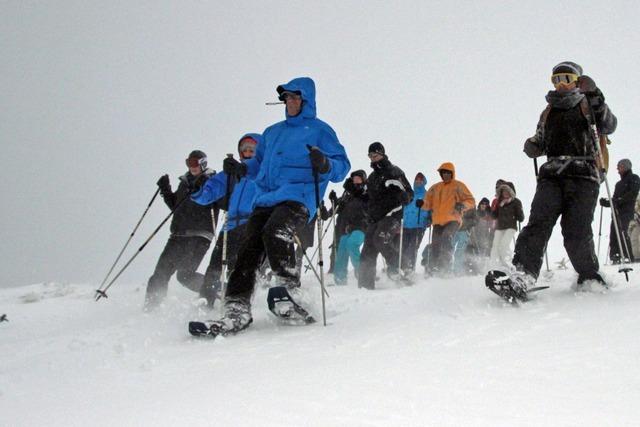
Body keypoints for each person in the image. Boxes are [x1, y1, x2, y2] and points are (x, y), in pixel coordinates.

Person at [204, 77, 350, 334]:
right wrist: (241, 168)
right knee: (249, 248)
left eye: (295, 97)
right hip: (266, 197)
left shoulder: (320, 130)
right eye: (286, 98)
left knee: (276, 231)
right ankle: (236, 306)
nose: (290, 102)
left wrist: (325, 162)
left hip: (299, 196)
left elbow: (341, 167)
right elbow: (258, 165)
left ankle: (288, 288)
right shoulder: (272, 133)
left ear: (305, 100)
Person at [509, 61, 617, 297]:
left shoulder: (588, 103)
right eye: (555, 80)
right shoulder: (548, 111)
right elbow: (541, 139)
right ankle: (522, 275)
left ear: (577, 81)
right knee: (538, 223)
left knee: (576, 229)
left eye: (566, 79)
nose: (560, 85)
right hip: (552, 175)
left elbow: (609, 124)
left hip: (584, 173)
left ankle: (589, 276)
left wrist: (595, 94)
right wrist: (534, 146)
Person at [191, 134, 261, 308]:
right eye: (244, 149)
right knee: (215, 265)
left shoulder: (263, 170)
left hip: (251, 223)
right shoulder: (230, 173)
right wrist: (199, 187)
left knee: (240, 266)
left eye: (252, 149)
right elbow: (209, 193)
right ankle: (206, 299)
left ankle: (237, 302)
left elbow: (267, 183)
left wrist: (246, 171)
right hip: (230, 225)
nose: (247, 152)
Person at [144, 150, 217, 310]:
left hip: (199, 235)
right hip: (178, 234)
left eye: (195, 163)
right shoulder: (184, 182)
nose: (192, 167)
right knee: (161, 272)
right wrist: (166, 190)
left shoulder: (212, 180)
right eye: (189, 163)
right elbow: (177, 207)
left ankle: (219, 291)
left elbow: (211, 202)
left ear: (203, 163)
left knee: (184, 275)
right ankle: (151, 307)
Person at [358, 142, 413, 289]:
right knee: (367, 250)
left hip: (392, 215)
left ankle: (402, 267)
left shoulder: (393, 171)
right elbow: (368, 198)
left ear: (382, 154)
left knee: (380, 239)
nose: (372, 159)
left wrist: (404, 195)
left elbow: (409, 192)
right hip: (376, 217)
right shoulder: (372, 177)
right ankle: (365, 287)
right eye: (370, 156)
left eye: (375, 155)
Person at [421, 162, 475, 276]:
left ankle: (445, 267)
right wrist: (421, 203)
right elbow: (427, 203)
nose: (445, 175)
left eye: (448, 173)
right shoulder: (435, 187)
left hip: (453, 219)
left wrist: (462, 205)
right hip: (437, 221)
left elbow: (471, 200)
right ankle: (434, 269)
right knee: (435, 244)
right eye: (443, 172)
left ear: (452, 173)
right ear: (440, 174)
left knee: (446, 237)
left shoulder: (458, 186)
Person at [331, 170, 369, 286]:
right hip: (349, 227)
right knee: (342, 246)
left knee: (352, 244)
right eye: (354, 178)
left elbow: (368, 204)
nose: (356, 180)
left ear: (363, 180)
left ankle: (364, 274)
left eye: (358, 178)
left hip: (362, 226)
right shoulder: (348, 196)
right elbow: (338, 209)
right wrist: (334, 201)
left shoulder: (366, 192)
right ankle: (340, 278)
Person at [599, 159, 640, 263]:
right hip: (617, 213)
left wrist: (618, 200)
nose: (617, 169)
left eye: (619, 166)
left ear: (625, 167)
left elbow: (633, 193)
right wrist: (607, 202)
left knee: (624, 232)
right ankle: (615, 256)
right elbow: (615, 199)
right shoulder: (618, 184)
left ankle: (629, 256)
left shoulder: (634, 178)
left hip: (628, 212)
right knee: (614, 233)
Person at [489, 182, 524, 269]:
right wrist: (494, 209)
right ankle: (494, 265)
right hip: (500, 227)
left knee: (504, 245)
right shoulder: (499, 202)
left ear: (511, 192)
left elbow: (521, 218)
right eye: (503, 191)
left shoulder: (516, 202)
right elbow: (494, 215)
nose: (505, 193)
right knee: (495, 246)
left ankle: (508, 264)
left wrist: (519, 214)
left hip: (510, 227)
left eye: (507, 191)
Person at [403, 173, 432, 273]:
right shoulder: (409, 193)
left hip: (419, 226)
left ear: (424, 182)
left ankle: (409, 269)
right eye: (417, 180)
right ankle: (402, 267)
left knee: (412, 247)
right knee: (403, 247)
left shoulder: (427, 195)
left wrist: (430, 218)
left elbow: (432, 209)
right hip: (406, 225)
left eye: (421, 180)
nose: (418, 181)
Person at [466, 198, 495, 273]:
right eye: (482, 203)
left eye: (486, 204)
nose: (484, 205)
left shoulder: (489, 214)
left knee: (482, 253)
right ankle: (468, 269)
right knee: (470, 251)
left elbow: (492, 225)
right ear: (480, 204)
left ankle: (480, 270)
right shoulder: (475, 212)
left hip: (483, 237)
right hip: (473, 235)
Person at [627, 194, 640, 259]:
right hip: (636, 220)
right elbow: (636, 207)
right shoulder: (638, 196)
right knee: (633, 237)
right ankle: (637, 257)